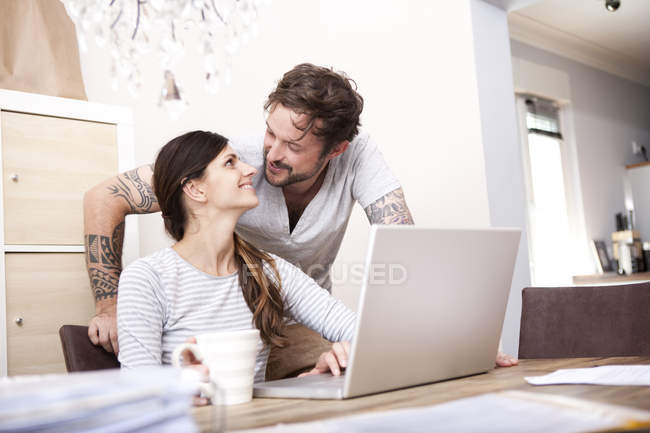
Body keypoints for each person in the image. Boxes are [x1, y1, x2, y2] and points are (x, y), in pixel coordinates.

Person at [84, 63, 517, 368]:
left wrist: (461, 343)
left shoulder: (277, 274)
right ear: (195, 188)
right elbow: (104, 196)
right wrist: (109, 304)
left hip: (292, 321)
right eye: (270, 133)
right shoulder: (153, 277)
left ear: (335, 150)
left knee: (343, 374)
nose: (266, 158)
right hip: (211, 369)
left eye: (292, 146)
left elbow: (406, 252)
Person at [118, 130, 356, 405]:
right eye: (230, 163)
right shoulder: (147, 278)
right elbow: (137, 391)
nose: (250, 169)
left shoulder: (268, 270)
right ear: (195, 189)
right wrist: (174, 388)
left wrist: (343, 354)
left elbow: (359, 330)